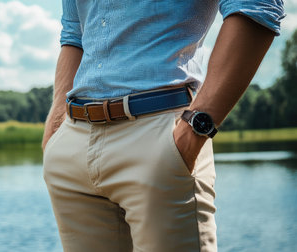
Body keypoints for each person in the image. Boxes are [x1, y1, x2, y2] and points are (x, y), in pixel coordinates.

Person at [42, 0, 285, 251]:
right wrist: (56, 131)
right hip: (73, 148)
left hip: (158, 136)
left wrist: (191, 134)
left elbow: (256, 5)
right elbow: (73, 34)